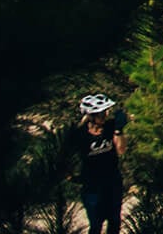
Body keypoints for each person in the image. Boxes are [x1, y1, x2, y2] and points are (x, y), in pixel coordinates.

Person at [68, 94, 127, 234]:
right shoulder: (80, 134)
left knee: (114, 221)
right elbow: (67, 156)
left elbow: (121, 150)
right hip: (92, 185)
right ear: (91, 116)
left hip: (112, 181)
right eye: (101, 114)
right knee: (96, 223)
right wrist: (73, 177)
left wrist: (118, 131)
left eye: (105, 112)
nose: (104, 116)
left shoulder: (110, 127)